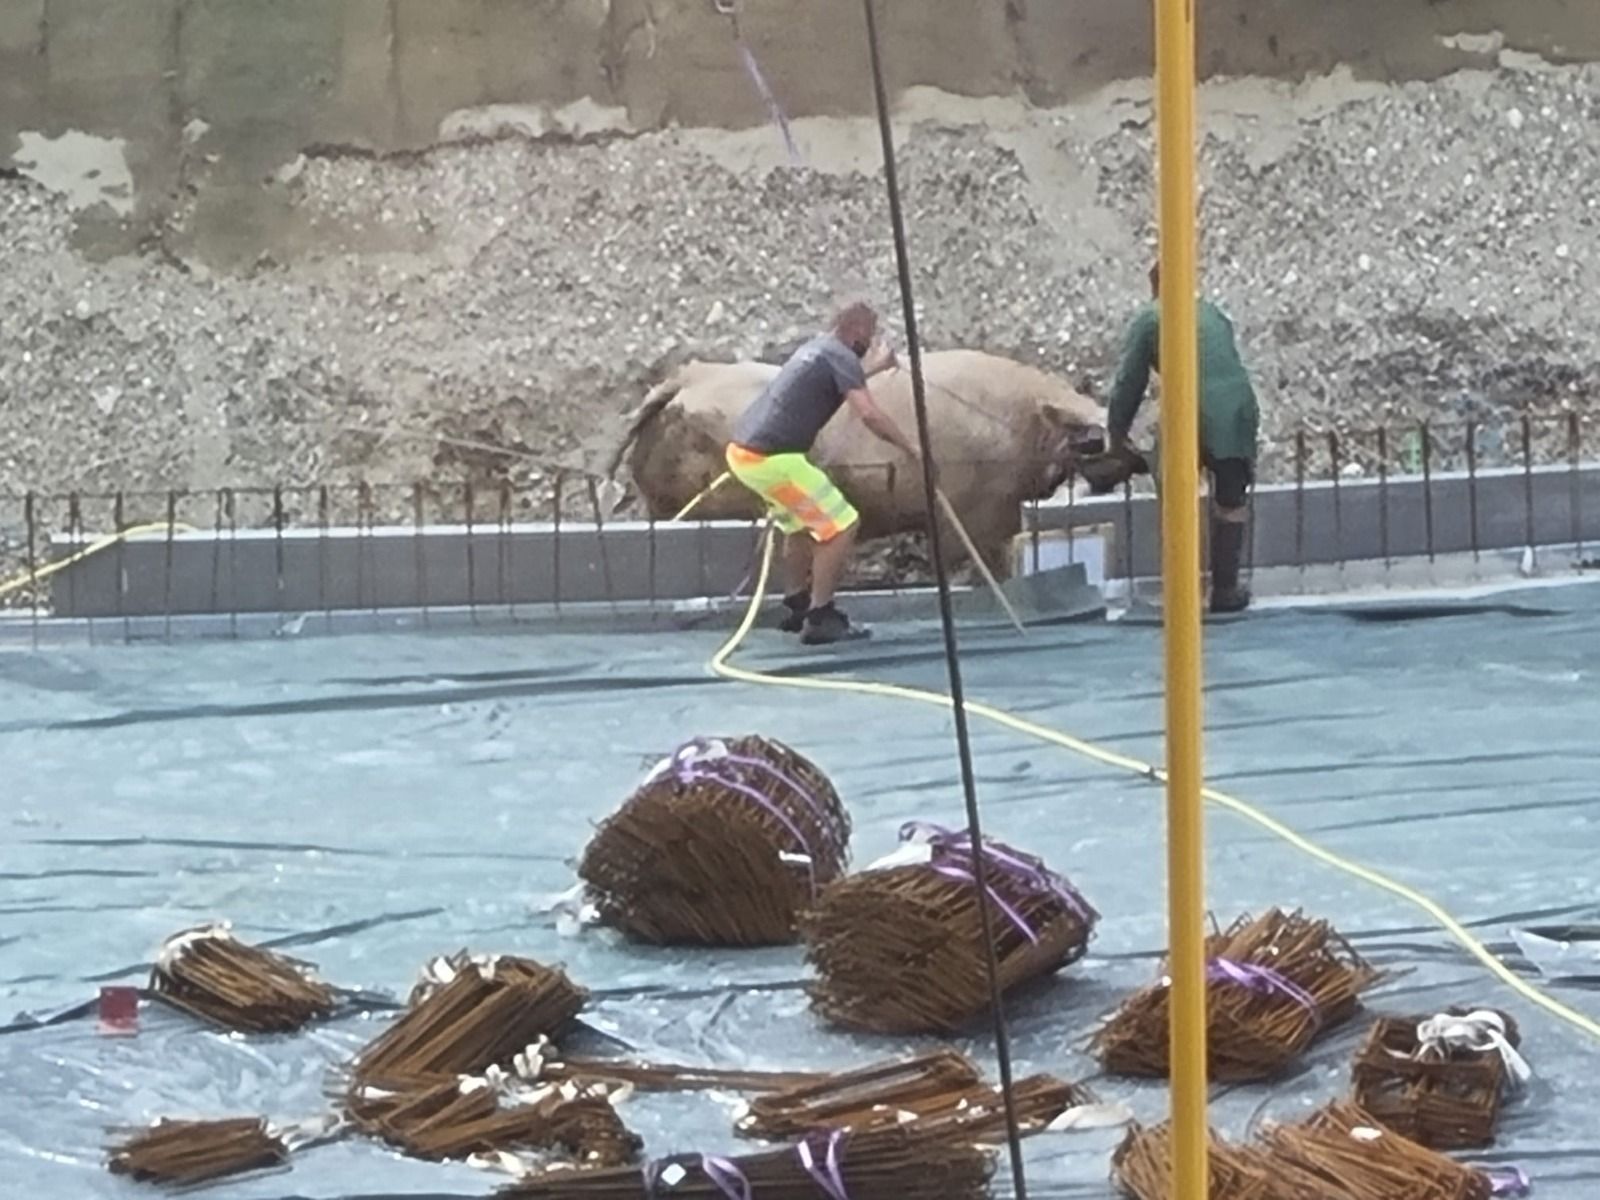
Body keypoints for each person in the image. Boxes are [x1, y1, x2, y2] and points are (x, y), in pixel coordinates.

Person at [725, 301, 921, 644]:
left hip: (744, 454)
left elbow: (839, 381)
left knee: (800, 526)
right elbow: (870, 415)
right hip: (773, 458)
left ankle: (798, 604)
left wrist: (876, 367)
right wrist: (910, 448)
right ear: (858, 330)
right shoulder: (841, 356)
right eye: (871, 333)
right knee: (842, 525)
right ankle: (820, 617)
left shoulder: (817, 349)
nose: (871, 340)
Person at [1105, 263, 1261, 614]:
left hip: (1190, 410)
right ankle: (1225, 590)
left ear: (1154, 285)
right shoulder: (1214, 314)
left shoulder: (1150, 317)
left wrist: (1115, 436)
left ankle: (1182, 593)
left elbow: (1129, 383)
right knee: (1230, 500)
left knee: (1175, 494)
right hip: (1238, 408)